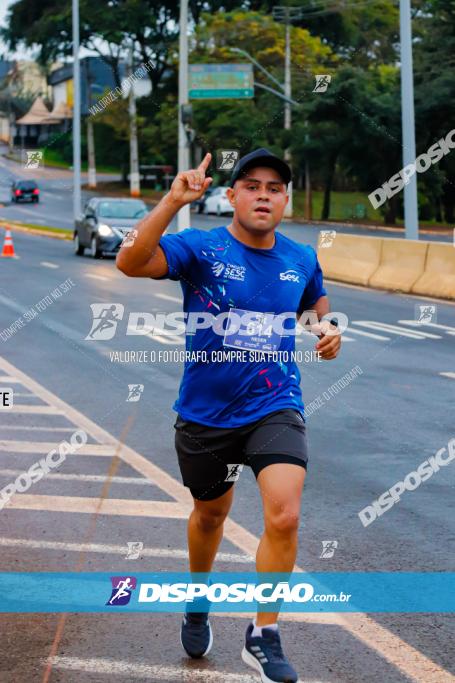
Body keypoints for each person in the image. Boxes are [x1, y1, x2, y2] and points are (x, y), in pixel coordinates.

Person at [116, 148, 341, 683]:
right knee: (210, 516)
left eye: (275, 188)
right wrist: (172, 200)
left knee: (284, 513)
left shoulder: (301, 258)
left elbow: (315, 307)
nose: (264, 195)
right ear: (233, 195)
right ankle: (198, 600)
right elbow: (129, 262)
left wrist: (327, 331)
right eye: (253, 185)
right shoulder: (199, 247)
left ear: (285, 200)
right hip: (206, 414)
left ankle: (263, 634)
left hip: (275, 403)